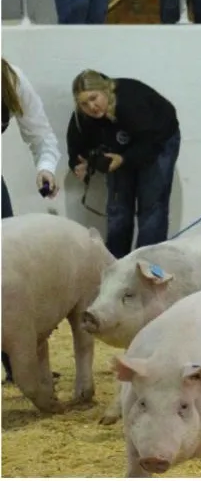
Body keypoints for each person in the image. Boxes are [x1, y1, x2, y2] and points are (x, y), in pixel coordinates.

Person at [66, 70, 181, 259]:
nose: (92, 107)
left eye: (94, 98)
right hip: (120, 147)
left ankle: (147, 263)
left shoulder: (131, 102)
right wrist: (80, 164)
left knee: (151, 206)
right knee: (118, 208)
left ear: (105, 90)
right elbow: (76, 145)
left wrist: (124, 160)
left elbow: (149, 144)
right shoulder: (82, 117)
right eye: (84, 103)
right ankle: (116, 263)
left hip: (158, 140)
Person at [1, 58, 62, 384]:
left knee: (7, 278)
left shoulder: (11, 77)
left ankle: (19, 367)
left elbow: (41, 136)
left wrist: (46, 167)